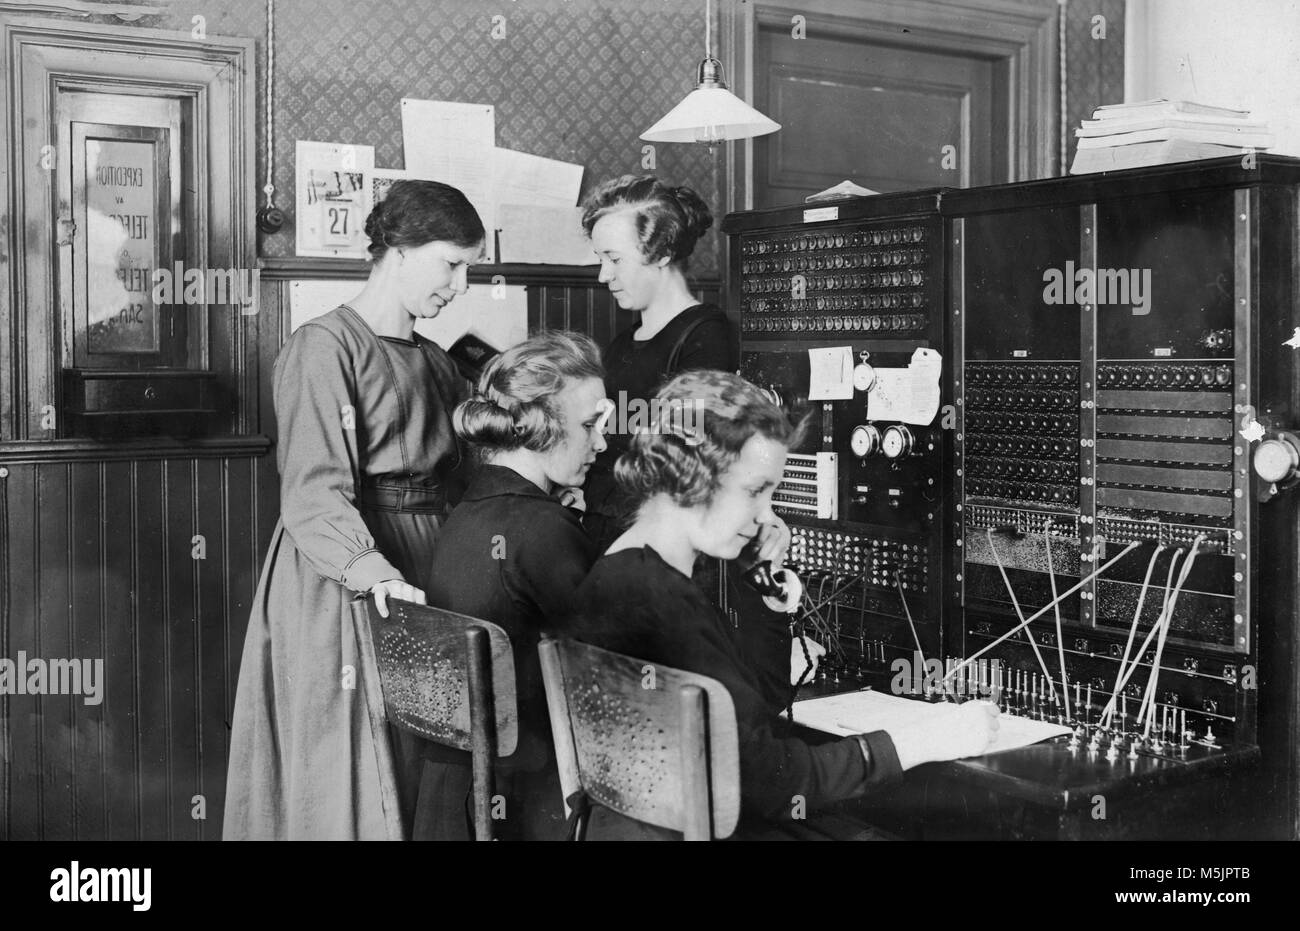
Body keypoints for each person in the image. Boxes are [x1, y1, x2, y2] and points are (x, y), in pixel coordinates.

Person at [567, 370, 1000, 839]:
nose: (766, 517)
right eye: (755, 490)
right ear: (690, 475)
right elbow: (777, 782)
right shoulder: (666, 603)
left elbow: (755, 713)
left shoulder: (621, 572)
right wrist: (924, 739)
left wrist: (764, 594)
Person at [223, 180, 485, 840]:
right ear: (398, 249)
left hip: (424, 565)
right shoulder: (324, 347)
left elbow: (467, 472)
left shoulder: (437, 363)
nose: (459, 286)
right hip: (344, 572)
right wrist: (372, 571)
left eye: (468, 269)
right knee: (343, 765)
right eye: (451, 263)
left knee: (415, 763)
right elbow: (313, 490)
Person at [402, 331, 608, 841]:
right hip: (522, 813)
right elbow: (624, 665)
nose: (602, 443)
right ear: (539, 426)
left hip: (451, 805)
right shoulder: (541, 530)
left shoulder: (471, 513)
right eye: (589, 426)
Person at [579, 174, 738, 553]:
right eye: (601, 260)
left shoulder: (706, 336)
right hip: (605, 528)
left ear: (663, 253)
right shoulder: (622, 344)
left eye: (615, 259)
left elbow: (685, 467)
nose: (604, 275)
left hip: (657, 542)